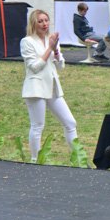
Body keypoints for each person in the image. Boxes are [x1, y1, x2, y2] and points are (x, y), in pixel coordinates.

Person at [20, 10, 77, 162]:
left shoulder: (50, 39)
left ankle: (77, 157)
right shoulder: (27, 41)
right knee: (38, 125)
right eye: (40, 21)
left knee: (70, 122)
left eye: (46, 20)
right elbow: (34, 67)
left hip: (52, 87)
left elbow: (60, 66)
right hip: (36, 88)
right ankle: (35, 160)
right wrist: (49, 49)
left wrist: (56, 52)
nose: (45, 24)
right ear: (33, 23)